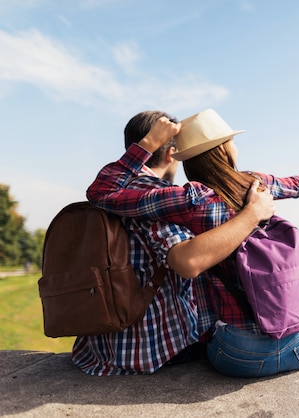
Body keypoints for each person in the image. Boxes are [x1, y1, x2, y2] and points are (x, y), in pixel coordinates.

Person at [86, 108, 299, 377]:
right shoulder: (257, 184)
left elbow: (100, 192)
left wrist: (145, 146)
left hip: (239, 354)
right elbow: (296, 185)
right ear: (225, 151)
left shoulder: (187, 199)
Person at [72, 111, 275, 376]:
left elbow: (98, 190)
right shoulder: (152, 195)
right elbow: (188, 262)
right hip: (149, 350)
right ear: (171, 153)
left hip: (98, 347)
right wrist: (252, 215)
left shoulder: (116, 191)